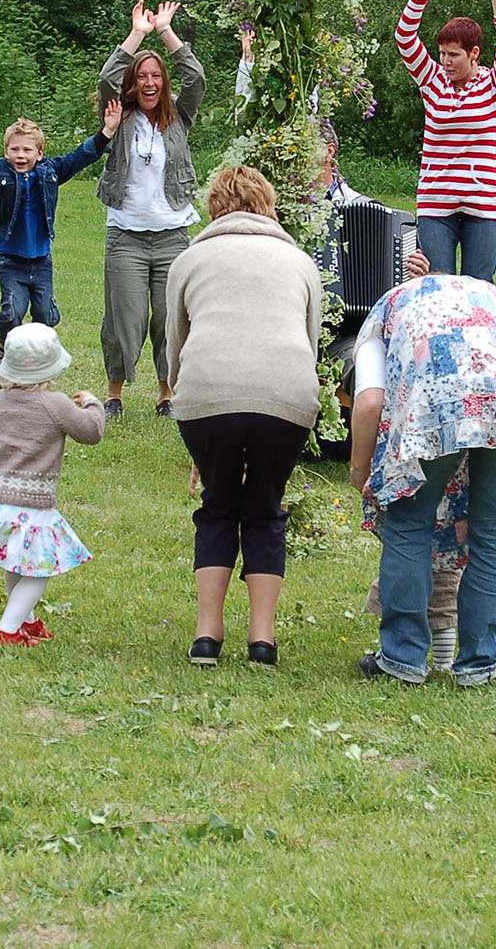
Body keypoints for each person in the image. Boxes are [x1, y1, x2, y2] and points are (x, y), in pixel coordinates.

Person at [349, 272, 496, 686]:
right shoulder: (492, 295)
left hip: (438, 399)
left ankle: (401, 659)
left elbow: (369, 401)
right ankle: (480, 665)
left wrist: (360, 471)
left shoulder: (381, 314)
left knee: (409, 522)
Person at [167, 167, 324, 667]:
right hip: (288, 397)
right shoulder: (300, 262)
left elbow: (175, 346)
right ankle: (262, 640)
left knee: (217, 506)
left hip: (207, 396)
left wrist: (195, 413)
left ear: (214, 207)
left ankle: (207, 636)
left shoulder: (189, 259)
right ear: (268, 204)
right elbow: (310, 339)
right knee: (264, 508)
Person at [0, 90, 122, 382]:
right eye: (15, 150)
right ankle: (3, 353)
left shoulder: (51, 172)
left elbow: (80, 156)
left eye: (27, 150)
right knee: (11, 311)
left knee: (45, 316)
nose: (21, 156)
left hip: (41, 261)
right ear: (6, 151)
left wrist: (107, 131)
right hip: (11, 260)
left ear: (40, 153)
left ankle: (39, 369)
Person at [0, 323, 105, 647]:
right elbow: (91, 432)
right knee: (38, 571)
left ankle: (27, 622)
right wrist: (93, 404)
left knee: (16, 561)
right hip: (31, 503)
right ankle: (9, 630)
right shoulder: (54, 403)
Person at [96, 0, 204, 420]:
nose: (149, 82)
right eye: (141, 76)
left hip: (172, 234)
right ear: (133, 83)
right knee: (126, 319)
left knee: (168, 320)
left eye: (156, 75)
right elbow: (106, 76)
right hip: (125, 235)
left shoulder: (179, 116)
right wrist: (138, 32)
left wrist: (166, 32)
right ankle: (115, 395)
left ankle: (166, 394)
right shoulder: (117, 115)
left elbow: (195, 76)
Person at [393, 0, 496, 281]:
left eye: (453, 55)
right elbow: (404, 38)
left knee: (479, 288)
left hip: (484, 205)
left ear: (474, 53)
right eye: (442, 54)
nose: (445, 61)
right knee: (436, 286)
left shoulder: (494, 85)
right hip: (435, 204)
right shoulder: (432, 80)